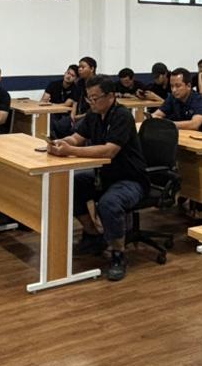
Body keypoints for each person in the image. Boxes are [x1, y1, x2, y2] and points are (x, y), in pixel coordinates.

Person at [47, 76, 146, 283]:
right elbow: (77, 138)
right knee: (72, 185)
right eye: (89, 98)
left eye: (95, 98)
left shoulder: (122, 116)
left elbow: (110, 151)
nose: (91, 102)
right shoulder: (93, 115)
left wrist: (70, 150)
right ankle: (93, 235)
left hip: (130, 178)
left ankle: (118, 255)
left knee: (109, 203)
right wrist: (60, 142)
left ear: (110, 96)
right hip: (104, 175)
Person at [152, 67, 202, 132]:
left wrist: (166, 124)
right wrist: (151, 118)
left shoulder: (199, 101)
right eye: (172, 86)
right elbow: (156, 114)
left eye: (178, 86)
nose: (174, 90)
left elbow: (194, 125)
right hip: (183, 134)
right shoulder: (172, 97)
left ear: (188, 86)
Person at [41, 64, 79, 139]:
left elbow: (66, 104)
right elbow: (43, 101)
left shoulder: (75, 89)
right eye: (68, 73)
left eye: (72, 75)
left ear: (76, 79)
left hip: (65, 115)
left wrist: (50, 104)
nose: (69, 76)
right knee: (47, 118)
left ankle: (55, 139)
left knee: (62, 122)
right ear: (65, 73)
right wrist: (48, 105)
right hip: (51, 112)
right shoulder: (53, 84)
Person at [71, 56, 98, 122]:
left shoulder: (98, 83)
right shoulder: (79, 83)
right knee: (60, 124)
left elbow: (97, 108)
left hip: (92, 116)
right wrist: (72, 115)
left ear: (92, 69)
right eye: (79, 67)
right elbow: (75, 101)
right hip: (78, 114)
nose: (80, 69)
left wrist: (80, 117)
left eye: (83, 67)